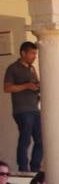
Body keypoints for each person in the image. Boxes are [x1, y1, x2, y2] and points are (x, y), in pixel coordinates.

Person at [4, 42, 41, 173]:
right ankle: (23, 168)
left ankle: (35, 168)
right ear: (23, 53)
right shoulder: (13, 68)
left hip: (35, 108)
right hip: (22, 110)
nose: (34, 56)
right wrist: (26, 86)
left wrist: (38, 89)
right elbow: (7, 88)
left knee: (40, 139)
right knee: (25, 139)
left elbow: (34, 85)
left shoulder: (32, 69)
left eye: (35, 54)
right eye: (32, 53)